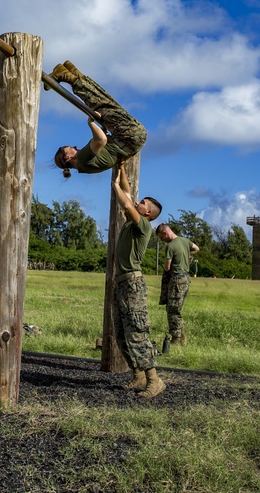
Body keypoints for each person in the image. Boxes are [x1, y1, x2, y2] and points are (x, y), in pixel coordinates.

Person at [111, 162, 165, 398]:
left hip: (133, 284)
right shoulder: (134, 222)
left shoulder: (143, 226)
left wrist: (115, 186)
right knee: (122, 333)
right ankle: (138, 375)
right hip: (122, 282)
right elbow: (129, 193)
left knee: (137, 333)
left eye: (142, 204)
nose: (138, 203)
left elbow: (124, 199)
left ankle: (154, 380)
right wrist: (121, 171)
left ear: (148, 213)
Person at [48, 61, 147, 177]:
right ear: (67, 157)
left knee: (105, 102)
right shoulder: (82, 159)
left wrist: (102, 131)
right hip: (128, 136)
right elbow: (101, 140)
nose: (74, 146)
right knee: (101, 104)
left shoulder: (85, 166)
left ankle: (75, 75)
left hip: (131, 139)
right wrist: (90, 122)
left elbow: (106, 147)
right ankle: (66, 76)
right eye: (70, 148)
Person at [156, 223, 199, 345]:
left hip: (176, 280)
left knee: (172, 309)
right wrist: (186, 255)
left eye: (161, 237)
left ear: (165, 233)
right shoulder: (185, 241)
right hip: (186, 279)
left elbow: (167, 266)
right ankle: (181, 335)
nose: (162, 240)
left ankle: (176, 338)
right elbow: (196, 248)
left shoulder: (170, 246)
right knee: (177, 307)